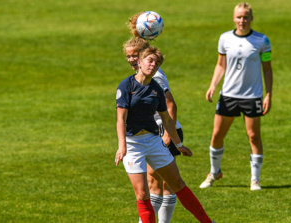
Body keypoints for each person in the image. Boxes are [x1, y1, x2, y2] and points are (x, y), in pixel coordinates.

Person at [116, 46, 214, 223]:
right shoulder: (126, 86)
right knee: (142, 193)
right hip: (133, 144)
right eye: (150, 60)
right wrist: (122, 146)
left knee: (177, 184)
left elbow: (167, 119)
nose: (153, 65)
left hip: (153, 141)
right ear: (139, 62)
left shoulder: (157, 89)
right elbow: (120, 119)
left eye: (157, 62)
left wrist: (178, 144)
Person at [199, 2, 273, 191]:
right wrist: (212, 85)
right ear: (233, 18)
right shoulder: (224, 39)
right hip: (228, 95)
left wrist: (268, 95)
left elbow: (267, 69)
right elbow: (220, 65)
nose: (242, 20)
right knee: (216, 135)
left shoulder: (262, 41)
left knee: (254, 136)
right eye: (239, 17)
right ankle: (214, 172)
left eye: (246, 17)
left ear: (251, 19)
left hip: (252, 96)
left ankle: (255, 179)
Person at [126, 13, 184, 223]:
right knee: (156, 183)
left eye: (135, 56)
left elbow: (171, 104)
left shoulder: (155, 75)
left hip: (163, 130)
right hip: (154, 131)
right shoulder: (143, 72)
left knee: (163, 183)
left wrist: (169, 136)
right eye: (129, 57)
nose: (132, 60)